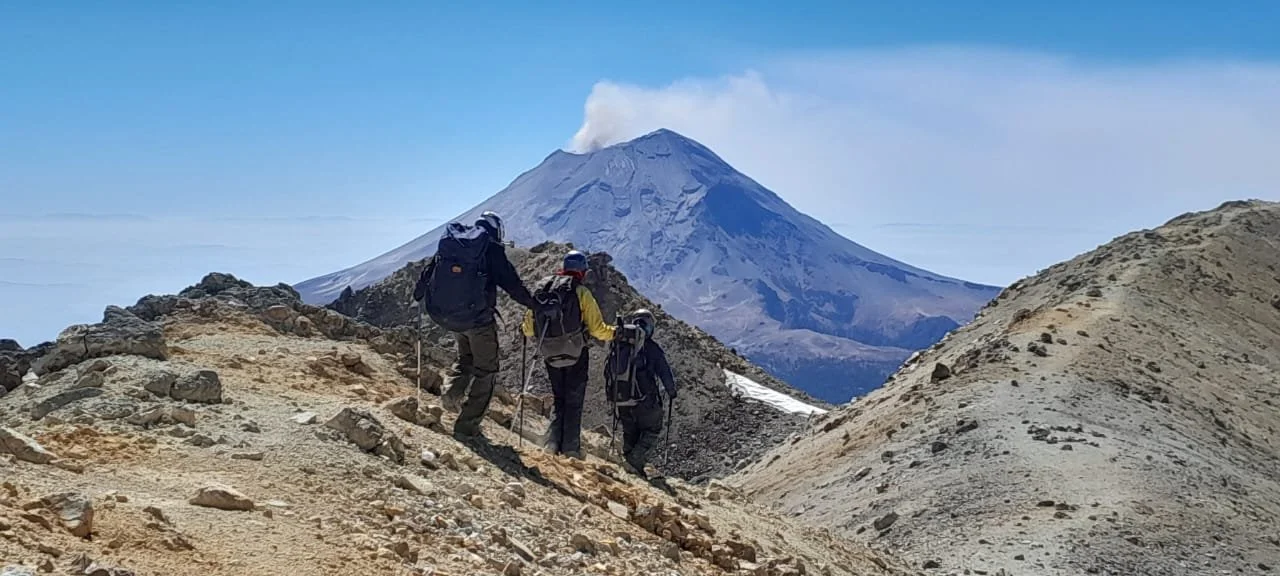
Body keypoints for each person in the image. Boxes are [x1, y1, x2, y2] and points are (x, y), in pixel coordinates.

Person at [413, 211, 536, 441]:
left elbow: (428, 273)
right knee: (487, 370)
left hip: (450, 317)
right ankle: (467, 427)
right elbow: (513, 285)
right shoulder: (491, 250)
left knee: (465, 358)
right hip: (478, 321)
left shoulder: (454, 243)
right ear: (497, 231)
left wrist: (419, 294)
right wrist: (535, 305)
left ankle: (451, 394)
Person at [521, 250, 615, 459]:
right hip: (576, 353)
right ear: (582, 271)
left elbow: (528, 329)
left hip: (549, 354)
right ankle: (571, 449)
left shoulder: (542, 289)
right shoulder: (581, 292)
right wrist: (615, 332)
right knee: (574, 400)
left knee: (558, 397)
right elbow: (597, 329)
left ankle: (551, 444)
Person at [606, 308, 677, 477]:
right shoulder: (651, 348)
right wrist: (672, 391)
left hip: (622, 399)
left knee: (630, 431)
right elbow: (664, 372)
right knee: (652, 428)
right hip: (645, 400)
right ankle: (636, 459)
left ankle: (631, 465)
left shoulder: (619, 343)